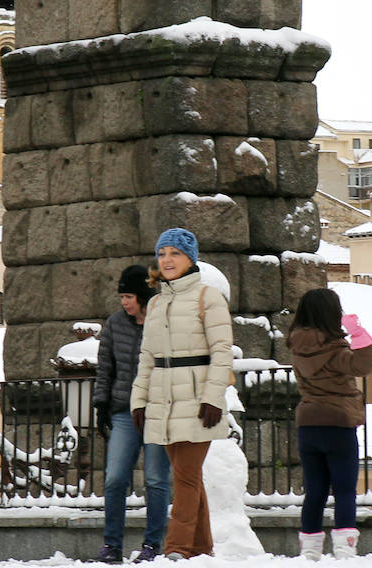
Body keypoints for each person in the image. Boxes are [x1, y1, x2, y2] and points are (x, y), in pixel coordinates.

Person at [130, 228, 232, 561]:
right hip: (163, 399)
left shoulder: (208, 297)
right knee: (189, 477)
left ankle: (176, 547)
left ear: (190, 258)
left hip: (197, 398)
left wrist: (213, 397)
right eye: (162, 254)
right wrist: (139, 400)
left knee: (185, 477)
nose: (167, 260)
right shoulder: (157, 302)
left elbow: (221, 350)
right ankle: (202, 547)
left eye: (175, 253)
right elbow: (147, 357)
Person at [287, 288, 372, 561]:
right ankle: (345, 549)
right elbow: (362, 366)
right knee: (345, 488)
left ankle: (310, 550)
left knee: (315, 491)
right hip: (338, 423)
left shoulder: (296, 346)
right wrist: (358, 334)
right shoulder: (335, 349)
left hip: (308, 424)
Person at [91, 265, 169, 563]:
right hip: (124, 410)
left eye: (129, 296)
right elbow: (105, 367)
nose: (124, 302)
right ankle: (112, 546)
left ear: (144, 296)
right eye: (122, 296)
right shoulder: (115, 323)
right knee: (114, 478)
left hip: (157, 410)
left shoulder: (163, 321)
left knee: (155, 479)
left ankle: (152, 546)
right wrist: (101, 405)